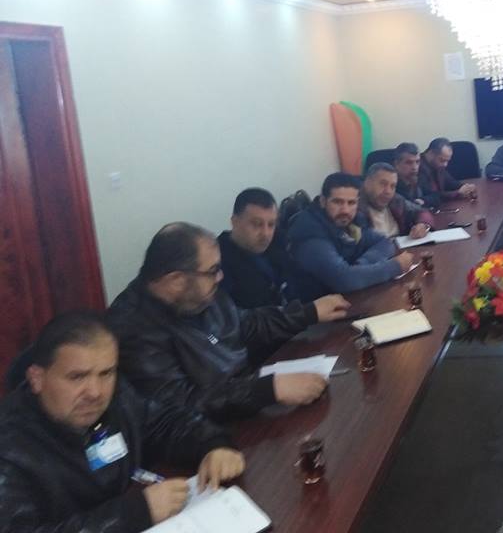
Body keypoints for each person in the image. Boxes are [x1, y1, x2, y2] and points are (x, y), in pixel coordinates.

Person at [0, 311, 245, 532]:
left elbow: (164, 423)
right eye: (77, 377)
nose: (95, 392)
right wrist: (135, 513)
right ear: (37, 379)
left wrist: (213, 444)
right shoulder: (9, 449)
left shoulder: (117, 396)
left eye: (106, 373)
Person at [109, 222, 351, 421]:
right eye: (213, 270)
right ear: (176, 280)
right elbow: (180, 404)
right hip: (212, 438)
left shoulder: (197, 293)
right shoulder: (132, 328)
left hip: (248, 405)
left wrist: (308, 312)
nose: (220, 276)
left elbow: (246, 324)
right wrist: (268, 390)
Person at [287, 172, 415, 294]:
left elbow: (384, 242)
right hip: (322, 303)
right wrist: (395, 266)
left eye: (351, 203)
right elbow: (343, 280)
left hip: (352, 296)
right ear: (323, 201)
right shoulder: (310, 233)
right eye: (337, 202)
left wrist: (361, 264)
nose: (345, 210)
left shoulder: (353, 221)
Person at [218, 187, 301, 309]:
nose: (266, 233)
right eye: (257, 224)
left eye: (271, 224)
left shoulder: (278, 242)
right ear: (234, 222)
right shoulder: (218, 263)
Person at [356, 163, 433, 238]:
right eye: (383, 184)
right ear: (367, 183)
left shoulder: (396, 201)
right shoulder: (354, 207)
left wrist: (423, 225)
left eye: (392, 186)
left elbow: (421, 211)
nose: (388, 191)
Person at [418, 138, 476, 207]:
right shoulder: (417, 166)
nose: (445, 165)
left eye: (447, 161)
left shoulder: (437, 165)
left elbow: (450, 182)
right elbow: (430, 195)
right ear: (431, 153)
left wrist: (466, 187)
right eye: (442, 160)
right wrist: (457, 193)